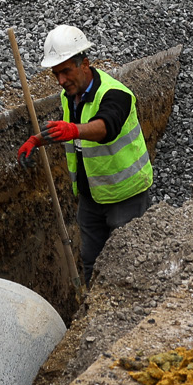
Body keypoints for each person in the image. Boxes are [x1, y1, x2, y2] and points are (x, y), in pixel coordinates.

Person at [17, 24, 153, 283]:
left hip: (126, 194)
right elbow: (65, 130)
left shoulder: (115, 94)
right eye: (56, 74)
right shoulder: (69, 95)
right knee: (91, 260)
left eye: (66, 71)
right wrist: (36, 139)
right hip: (91, 194)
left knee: (127, 263)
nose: (61, 80)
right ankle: (92, 314)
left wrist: (74, 130)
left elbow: (105, 127)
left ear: (85, 64)